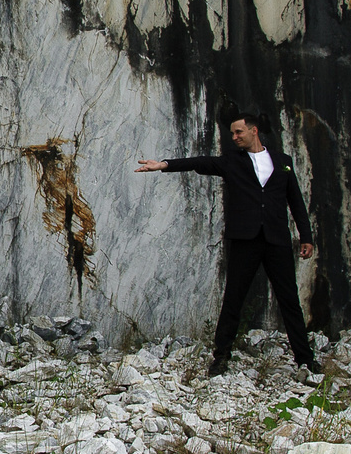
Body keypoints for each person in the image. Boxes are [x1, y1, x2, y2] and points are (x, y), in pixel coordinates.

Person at [135, 113, 316, 376]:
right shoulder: (232, 161)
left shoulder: (283, 162)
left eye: (238, 132)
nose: (234, 137)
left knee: (289, 301)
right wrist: (163, 165)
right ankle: (220, 357)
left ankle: (306, 360)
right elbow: (200, 162)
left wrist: (306, 236)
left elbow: (296, 201)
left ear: (254, 131)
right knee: (233, 299)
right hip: (245, 240)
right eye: (232, 133)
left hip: (277, 240)